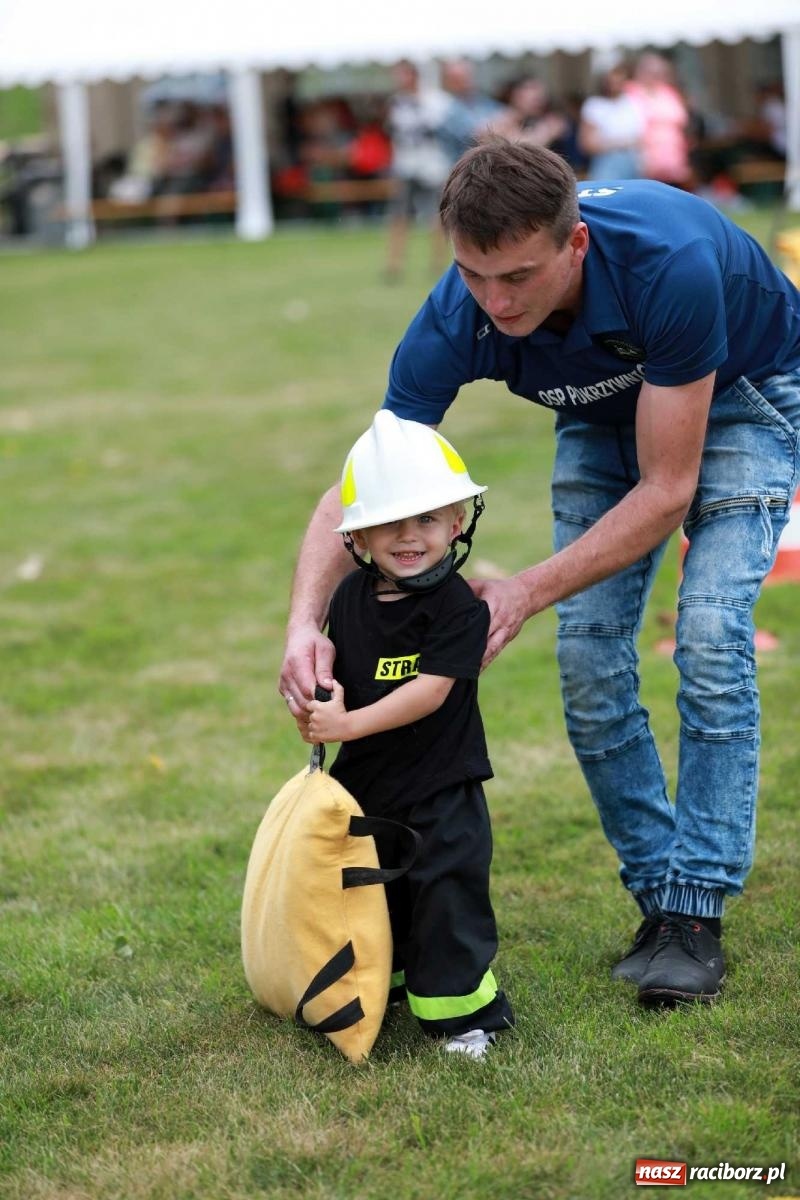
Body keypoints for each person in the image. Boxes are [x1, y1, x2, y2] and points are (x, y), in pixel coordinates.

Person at [280, 136, 800, 1008]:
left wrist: (524, 589)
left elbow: (669, 487)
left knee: (709, 636)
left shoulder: (665, 266)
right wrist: (303, 624)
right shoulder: (461, 309)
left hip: (745, 390)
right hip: (601, 410)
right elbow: (364, 485)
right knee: (590, 662)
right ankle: (658, 903)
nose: (494, 301)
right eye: (476, 277)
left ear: (577, 244)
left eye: (518, 277)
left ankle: (696, 909)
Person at [294, 410, 514, 1058]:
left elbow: (430, 691)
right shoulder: (346, 602)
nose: (408, 535)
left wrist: (349, 724)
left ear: (457, 521)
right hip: (368, 789)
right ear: (357, 534)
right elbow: (345, 677)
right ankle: (375, 987)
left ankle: (463, 1018)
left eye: (426, 519)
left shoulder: (458, 609)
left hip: (443, 792)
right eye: (389, 521)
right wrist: (319, 696)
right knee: (373, 897)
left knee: (445, 901)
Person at [383, 60, 451, 280]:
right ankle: (394, 265)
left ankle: (438, 264)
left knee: (437, 215)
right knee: (399, 215)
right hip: (405, 166)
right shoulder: (397, 103)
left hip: (432, 166)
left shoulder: (435, 100)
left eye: (403, 75)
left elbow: (441, 131)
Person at [625, 53, 692, 188]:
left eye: (659, 72)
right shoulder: (630, 91)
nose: (655, 76)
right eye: (651, 72)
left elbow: (682, 119)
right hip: (644, 154)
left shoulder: (668, 92)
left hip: (672, 153)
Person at [579, 64, 643, 180]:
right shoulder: (594, 105)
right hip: (606, 164)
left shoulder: (633, 102)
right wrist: (621, 143)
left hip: (634, 163)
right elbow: (588, 144)